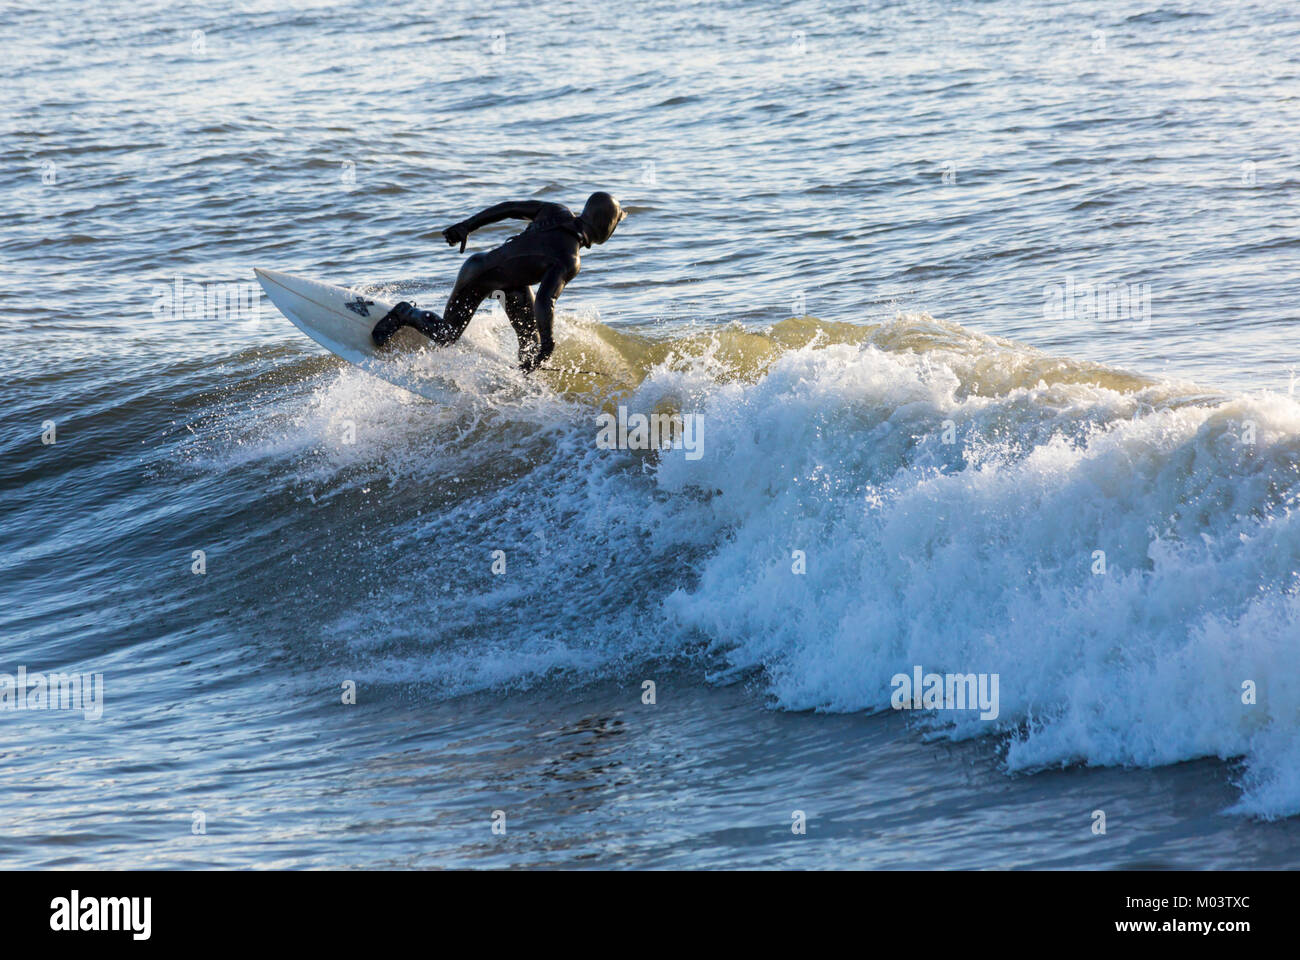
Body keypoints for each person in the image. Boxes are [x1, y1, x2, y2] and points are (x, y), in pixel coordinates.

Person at [371, 192, 626, 372]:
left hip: (512, 285)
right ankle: (406, 312)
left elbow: (508, 207)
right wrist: (550, 342)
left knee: (529, 345)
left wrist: (467, 225)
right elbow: (545, 302)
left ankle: (523, 383)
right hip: (479, 276)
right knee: (447, 335)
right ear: (606, 228)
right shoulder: (569, 259)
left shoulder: (555, 211)